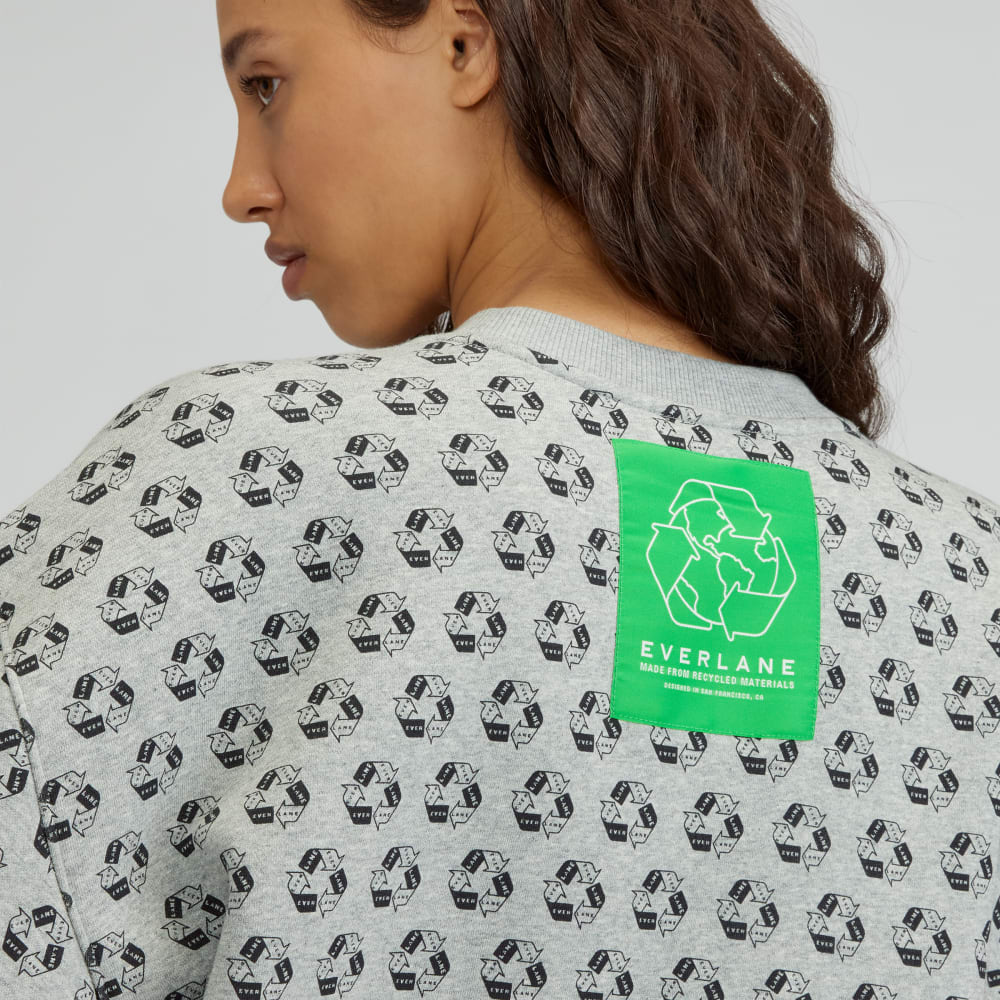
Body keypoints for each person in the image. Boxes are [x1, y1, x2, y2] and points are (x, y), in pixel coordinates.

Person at [1, 0, 997, 996]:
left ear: (464, 43)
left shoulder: (242, 474)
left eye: (266, 85)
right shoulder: (968, 576)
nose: (241, 189)